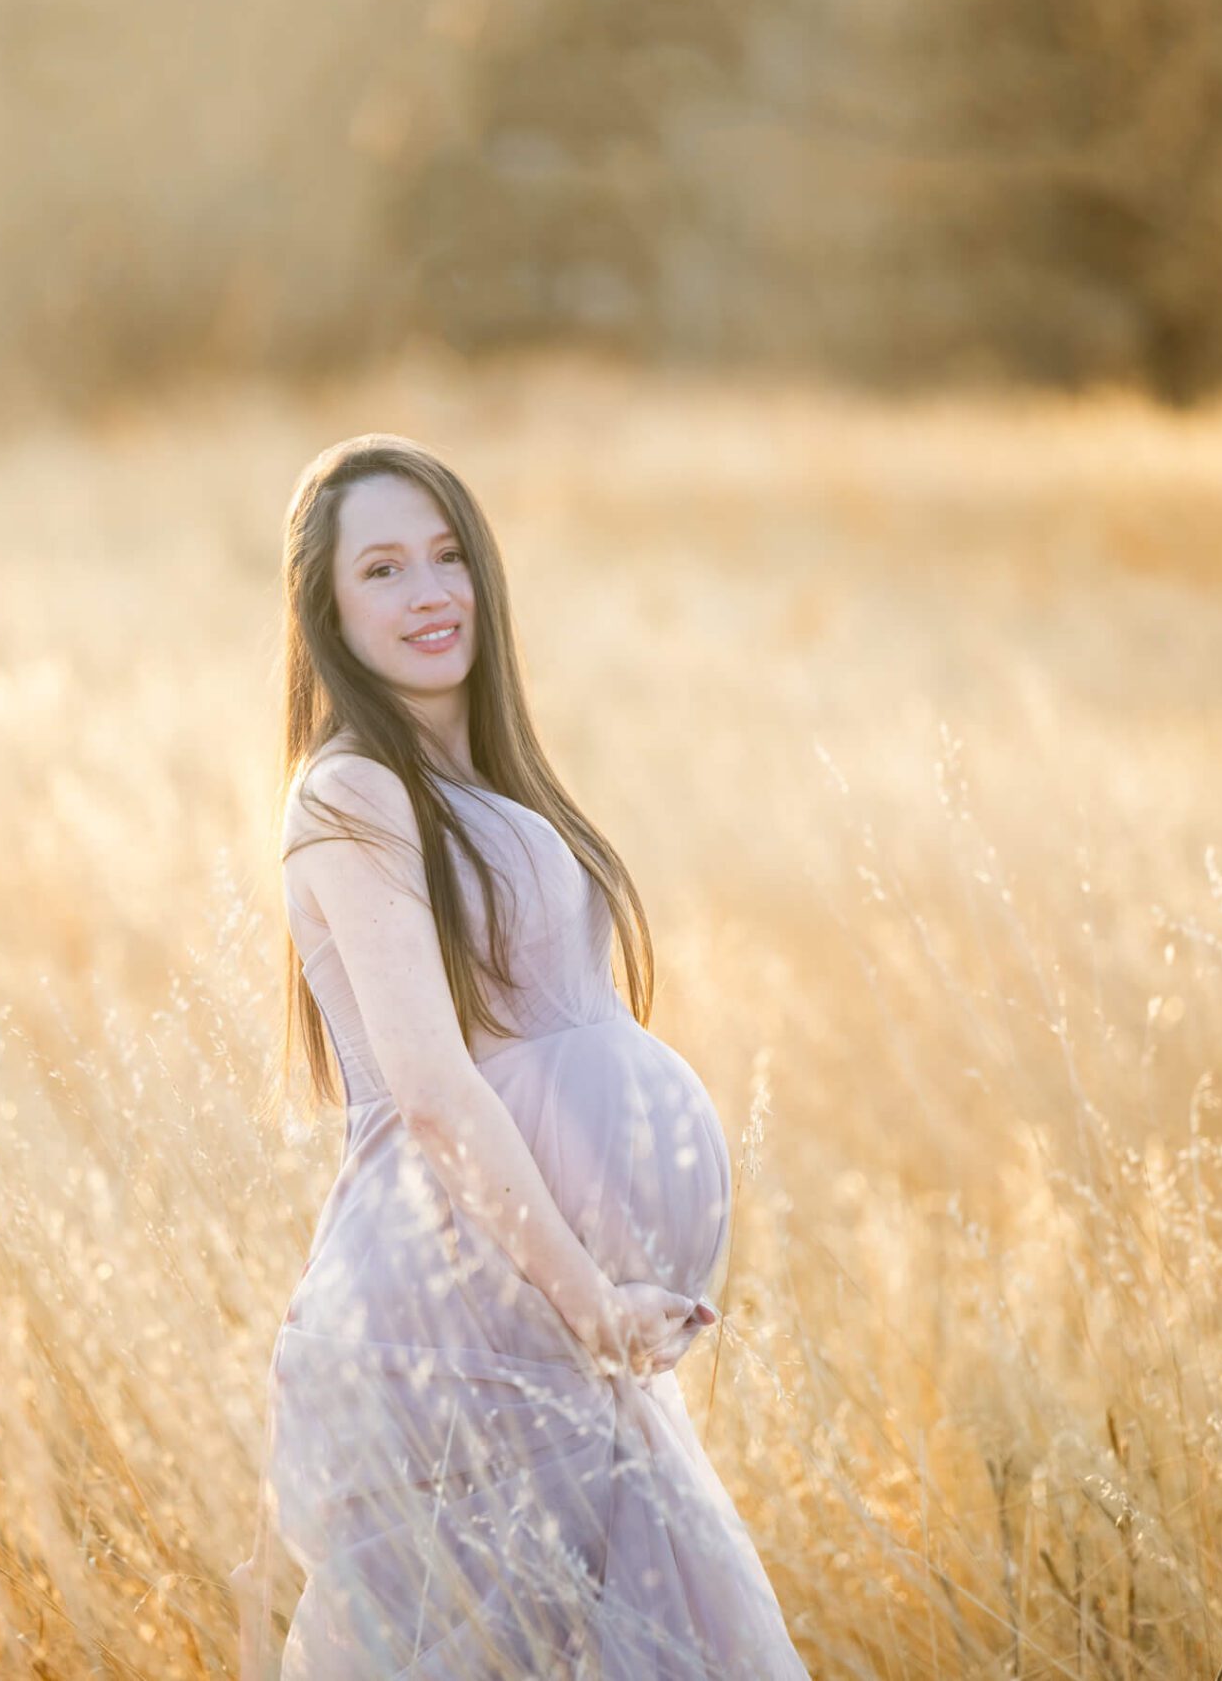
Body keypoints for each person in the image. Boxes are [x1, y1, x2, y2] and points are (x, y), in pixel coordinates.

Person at [230, 434, 807, 1678]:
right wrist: (587, 1299)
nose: (429, 593)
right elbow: (435, 1094)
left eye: (448, 557)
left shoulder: (479, 778)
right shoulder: (350, 797)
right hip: (465, 1298)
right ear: (324, 609)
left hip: (542, 1312)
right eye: (380, 569)